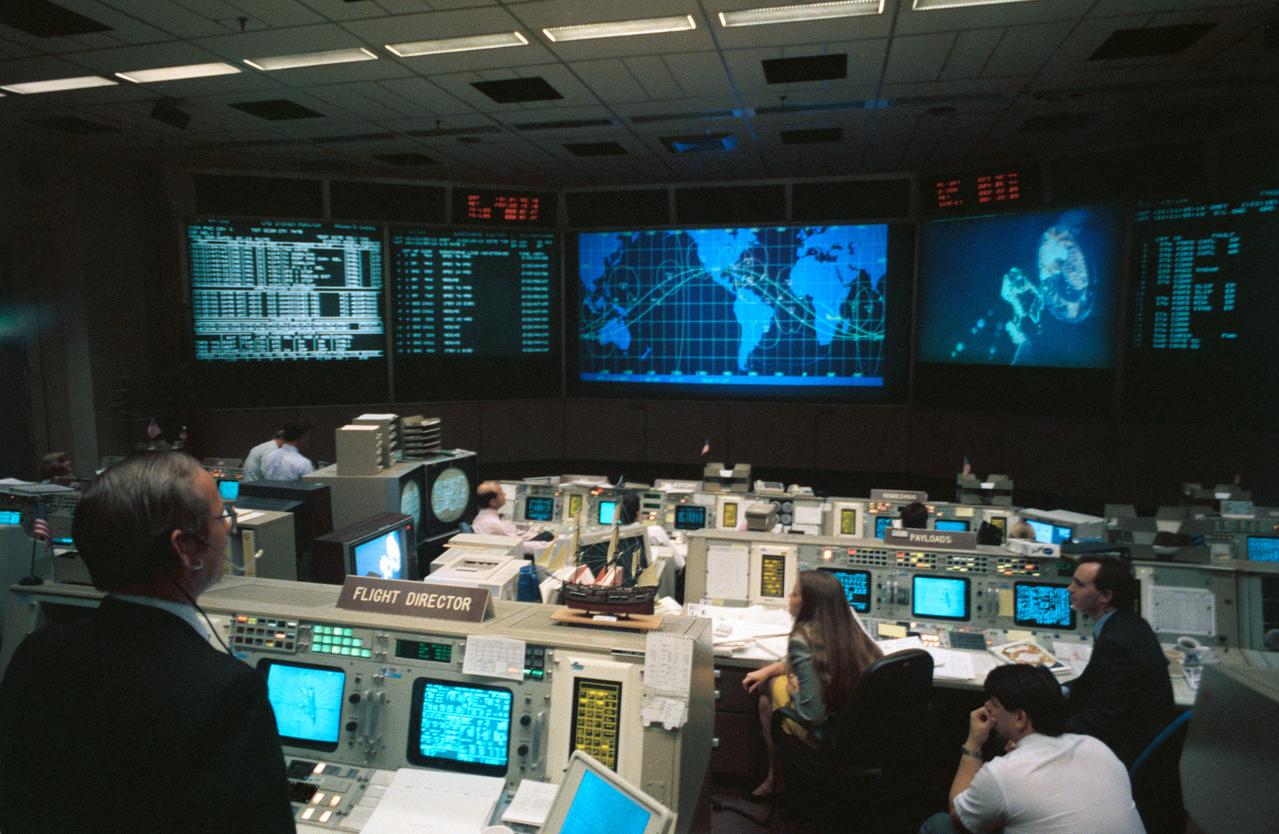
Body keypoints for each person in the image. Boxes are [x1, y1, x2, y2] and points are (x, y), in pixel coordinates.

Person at [0, 452, 294, 833]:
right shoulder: (227, 691)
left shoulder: (39, 652)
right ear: (185, 548)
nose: (229, 529)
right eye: (221, 517)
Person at [920, 664, 1145, 834]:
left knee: (938, 824)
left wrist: (973, 744)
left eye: (995, 704)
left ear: (1020, 718)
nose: (987, 708)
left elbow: (959, 817)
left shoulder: (1002, 774)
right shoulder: (1096, 747)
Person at [741, 570, 883, 797]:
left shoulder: (802, 639)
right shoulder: (849, 631)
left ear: (807, 604)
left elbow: (812, 715)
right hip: (861, 735)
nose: (789, 595)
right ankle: (777, 777)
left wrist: (793, 691)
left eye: (795, 593)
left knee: (769, 691)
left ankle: (775, 778)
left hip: (825, 734)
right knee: (771, 684)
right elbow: (813, 661)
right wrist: (769, 669)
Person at [1063, 555, 1175, 766]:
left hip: (1121, 751)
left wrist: (1043, 731)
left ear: (1105, 595)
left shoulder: (1117, 641)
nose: (1069, 589)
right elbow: (1094, 680)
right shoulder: (1128, 623)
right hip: (1129, 736)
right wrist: (1057, 691)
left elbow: (1103, 720)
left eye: (1078, 584)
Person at [471, 480, 552, 557]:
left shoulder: (482, 517)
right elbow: (518, 546)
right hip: (516, 553)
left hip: (512, 546)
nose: (505, 495)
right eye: (501, 494)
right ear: (493, 502)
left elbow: (515, 535)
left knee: (546, 535)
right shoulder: (493, 523)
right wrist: (547, 545)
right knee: (548, 537)